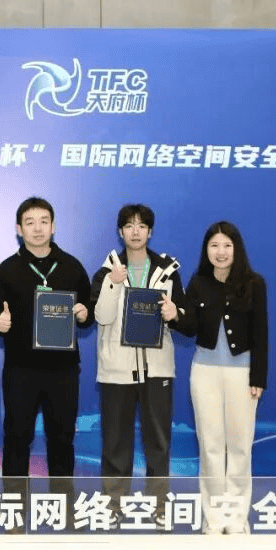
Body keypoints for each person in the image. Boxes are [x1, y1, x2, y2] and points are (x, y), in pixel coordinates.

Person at [0, 197, 93, 528]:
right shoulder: (6, 270)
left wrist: (84, 313)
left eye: (44, 221)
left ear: (54, 226)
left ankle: (63, 508)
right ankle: (13, 510)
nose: (37, 228)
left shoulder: (72, 267)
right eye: (30, 222)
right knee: (16, 439)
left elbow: (88, 311)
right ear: (19, 229)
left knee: (62, 440)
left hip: (63, 371)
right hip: (21, 369)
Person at [89, 204, 183, 528]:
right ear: (120, 232)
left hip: (157, 370)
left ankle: (159, 506)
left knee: (158, 442)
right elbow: (101, 317)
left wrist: (174, 313)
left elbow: (183, 317)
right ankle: (113, 506)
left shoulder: (168, 270)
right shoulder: (107, 270)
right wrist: (113, 284)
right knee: (116, 442)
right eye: (129, 225)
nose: (135, 231)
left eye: (142, 225)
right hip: (117, 370)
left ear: (150, 231)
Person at [173, 221, 268, 534]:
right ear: (206, 250)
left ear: (236, 248)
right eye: (214, 245)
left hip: (243, 375)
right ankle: (214, 518)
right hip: (205, 374)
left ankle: (237, 518)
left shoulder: (254, 283)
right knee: (211, 446)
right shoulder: (198, 283)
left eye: (227, 245)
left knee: (240, 446)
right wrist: (174, 316)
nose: (221, 252)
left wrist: (258, 377)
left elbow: (261, 333)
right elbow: (190, 327)